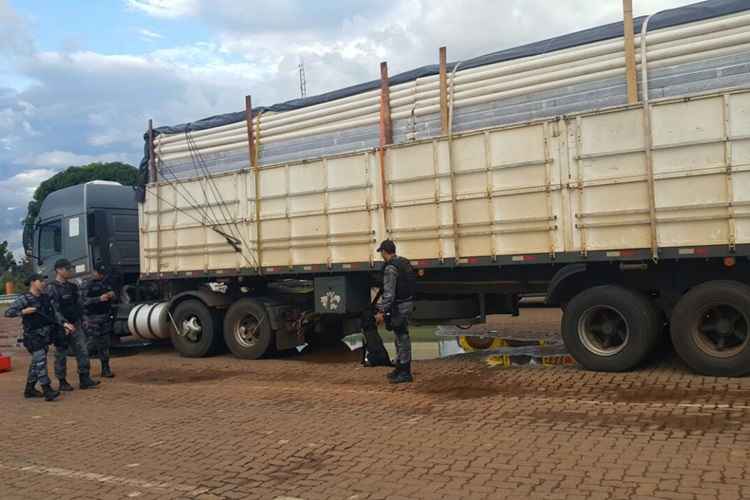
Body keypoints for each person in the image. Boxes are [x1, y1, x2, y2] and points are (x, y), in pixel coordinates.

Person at [4, 274, 61, 401]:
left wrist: (64, 324)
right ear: (33, 282)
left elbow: (54, 313)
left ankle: (29, 389)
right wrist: (23, 312)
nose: (43, 283)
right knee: (41, 362)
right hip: (33, 336)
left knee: (36, 363)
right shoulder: (24, 298)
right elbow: (8, 313)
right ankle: (47, 389)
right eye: (41, 281)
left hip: (45, 335)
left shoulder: (45, 298)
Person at [48, 259, 100, 390]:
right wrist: (64, 323)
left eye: (70, 269)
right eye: (67, 269)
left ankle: (84, 378)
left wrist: (83, 319)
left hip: (76, 324)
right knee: (61, 354)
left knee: (82, 350)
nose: (69, 271)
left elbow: (79, 305)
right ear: (58, 270)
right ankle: (62, 381)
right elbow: (54, 310)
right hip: (61, 327)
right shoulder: (52, 288)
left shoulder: (72, 287)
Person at [374, 239, 416, 384]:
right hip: (407, 303)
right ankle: (400, 367)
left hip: (400, 307)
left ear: (384, 252)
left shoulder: (391, 268)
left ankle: (405, 372)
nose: (381, 255)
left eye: (381, 252)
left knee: (402, 338)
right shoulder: (404, 262)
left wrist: (381, 311)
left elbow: (389, 293)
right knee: (400, 337)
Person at [80, 262, 116, 378]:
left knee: (104, 345)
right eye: (99, 273)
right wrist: (98, 299)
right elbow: (82, 302)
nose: (101, 276)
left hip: (104, 317)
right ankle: (84, 373)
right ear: (94, 272)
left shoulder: (105, 282)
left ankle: (105, 369)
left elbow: (114, 296)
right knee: (90, 345)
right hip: (91, 318)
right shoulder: (86, 284)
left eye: (102, 274)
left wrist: (111, 295)